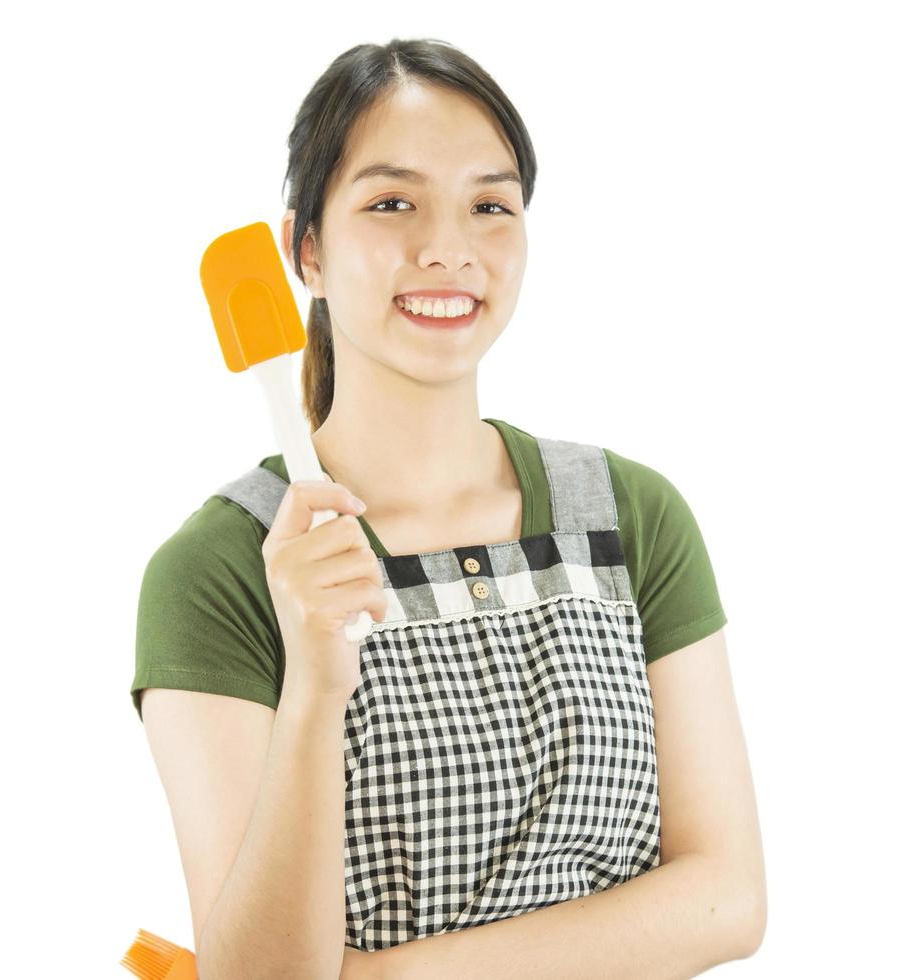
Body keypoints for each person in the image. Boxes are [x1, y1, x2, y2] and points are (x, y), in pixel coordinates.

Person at [132, 37, 765, 979]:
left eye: (490, 205)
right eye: (392, 202)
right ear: (305, 248)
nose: (447, 249)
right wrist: (314, 687)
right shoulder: (219, 571)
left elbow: (726, 898)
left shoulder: (630, 516)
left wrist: (389, 976)